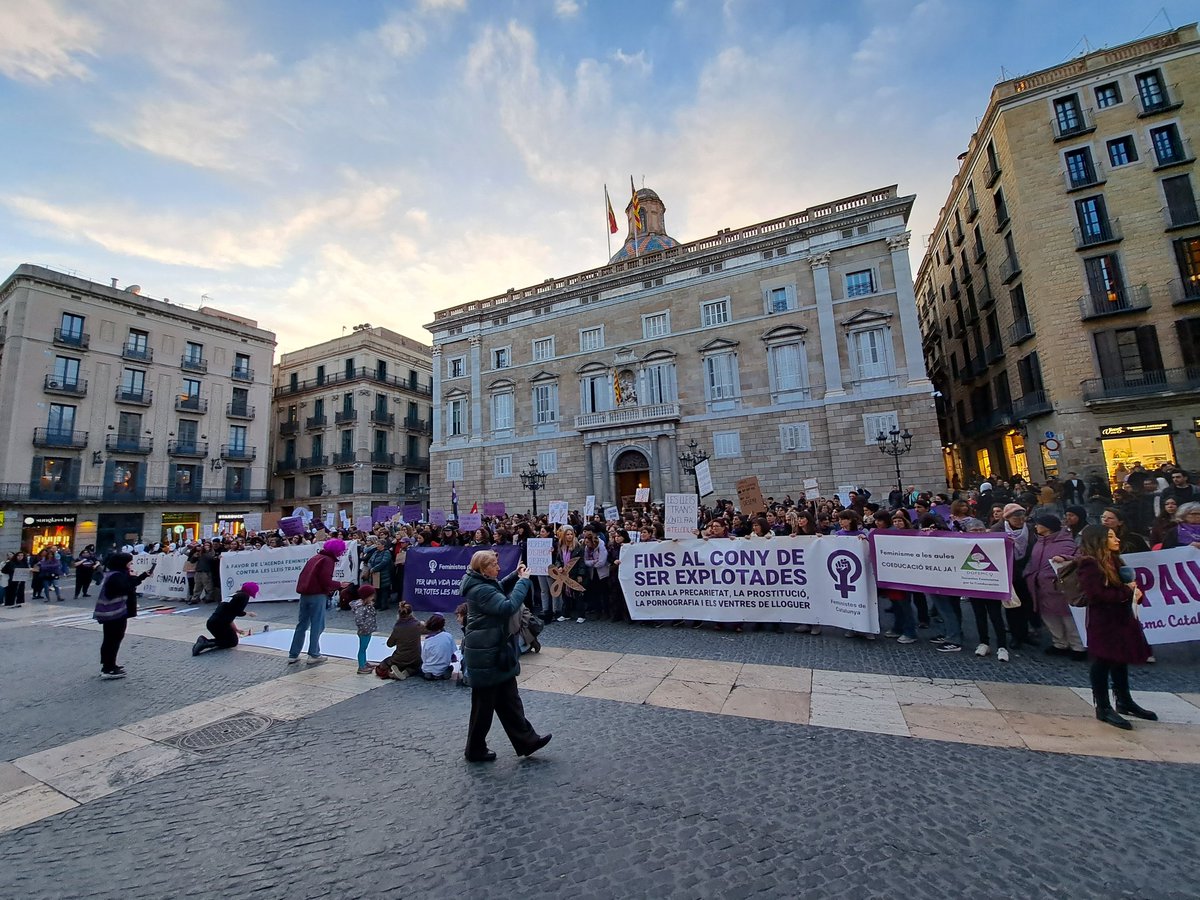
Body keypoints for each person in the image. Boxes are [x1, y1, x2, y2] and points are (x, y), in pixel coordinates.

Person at [460, 550, 551, 763]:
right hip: (487, 653)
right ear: (483, 570)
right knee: (484, 707)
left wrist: (514, 576)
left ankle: (527, 740)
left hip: (493, 650)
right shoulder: (480, 589)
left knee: (509, 700)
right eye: (494, 565)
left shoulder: (481, 583)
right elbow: (507, 607)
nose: (498, 568)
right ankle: (475, 749)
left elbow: (498, 589)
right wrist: (524, 582)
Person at [1075, 524, 1156, 729]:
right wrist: (1127, 593)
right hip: (1104, 622)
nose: (1117, 539)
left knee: (1120, 660)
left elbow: (1122, 585)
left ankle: (1124, 700)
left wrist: (1134, 591)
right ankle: (1102, 707)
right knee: (1103, 662)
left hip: (1120, 618)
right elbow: (1097, 595)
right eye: (1111, 537)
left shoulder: (1113, 559)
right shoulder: (1090, 565)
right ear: (1099, 540)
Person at [1025, 515, 1084, 659]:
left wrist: (1066, 559)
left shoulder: (1066, 543)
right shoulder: (1039, 542)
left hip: (1059, 587)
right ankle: (1059, 643)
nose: (1036, 526)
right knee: (1050, 618)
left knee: (1068, 618)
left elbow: (1078, 558)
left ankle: (1078, 646)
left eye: (1039, 524)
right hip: (1041, 587)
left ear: (1048, 527)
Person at [92, 552, 155, 679]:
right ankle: (108, 668)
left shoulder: (117, 574)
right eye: (129, 562)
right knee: (113, 640)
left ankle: (110, 664)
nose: (131, 564)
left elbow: (128, 585)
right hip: (114, 613)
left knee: (113, 639)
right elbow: (125, 588)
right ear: (123, 563)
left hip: (116, 612)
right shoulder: (117, 576)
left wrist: (142, 576)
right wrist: (132, 578)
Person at [288, 538, 349, 666]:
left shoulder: (316, 557)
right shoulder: (328, 560)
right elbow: (325, 580)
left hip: (305, 594)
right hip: (317, 595)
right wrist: (339, 584)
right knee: (317, 624)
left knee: (302, 624)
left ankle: (293, 654)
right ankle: (314, 654)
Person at [192, 582, 259, 655]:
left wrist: (236, 630)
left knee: (225, 639)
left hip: (212, 623)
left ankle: (204, 641)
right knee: (232, 642)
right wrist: (248, 613)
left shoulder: (233, 595)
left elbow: (230, 615)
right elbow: (237, 612)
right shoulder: (244, 596)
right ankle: (205, 643)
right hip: (220, 624)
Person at [382, 601, 425, 680]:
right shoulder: (418, 625)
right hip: (415, 658)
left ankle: (391, 673)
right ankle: (406, 672)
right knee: (416, 668)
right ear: (411, 613)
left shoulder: (397, 628)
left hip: (399, 658)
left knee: (384, 664)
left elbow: (389, 644)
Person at [351, 584, 378, 674]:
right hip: (364, 631)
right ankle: (361, 667)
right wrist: (364, 627)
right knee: (362, 649)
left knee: (364, 648)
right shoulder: (361, 608)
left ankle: (364, 662)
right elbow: (358, 620)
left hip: (368, 630)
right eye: (371, 596)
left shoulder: (367, 605)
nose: (373, 597)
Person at [421, 612, 457, 680]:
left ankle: (429, 673)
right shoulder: (448, 636)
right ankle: (442, 673)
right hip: (443, 668)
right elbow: (452, 654)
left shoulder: (427, 640)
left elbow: (424, 657)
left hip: (428, 668)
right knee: (450, 667)